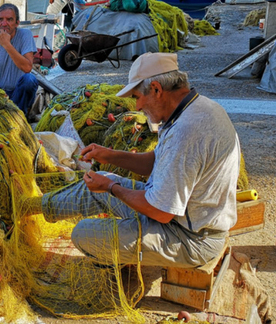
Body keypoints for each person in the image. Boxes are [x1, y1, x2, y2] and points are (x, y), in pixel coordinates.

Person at [23, 52, 240, 268]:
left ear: (156, 89)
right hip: (179, 218)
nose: (136, 107)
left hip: (191, 238)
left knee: (84, 233)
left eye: (137, 97)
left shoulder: (186, 131)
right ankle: (28, 207)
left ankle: (116, 256)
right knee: (100, 181)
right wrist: (108, 155)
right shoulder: (195, 109)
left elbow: (161, 212)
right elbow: (156, 162)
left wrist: (111, 187)